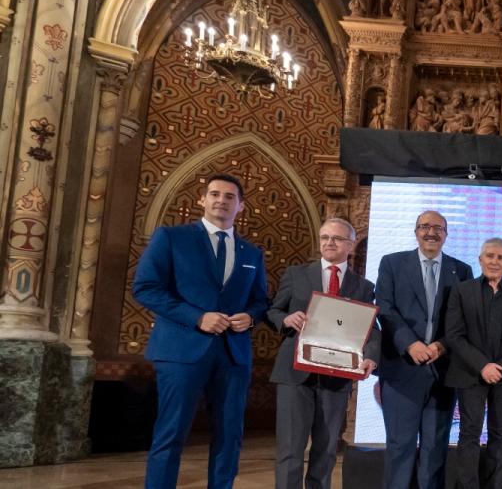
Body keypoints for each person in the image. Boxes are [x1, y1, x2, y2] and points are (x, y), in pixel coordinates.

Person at [133, 174, 269, 489]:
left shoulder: (252, 254)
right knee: (172, 432)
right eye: (214, 194)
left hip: (233, 355)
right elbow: (145, 288)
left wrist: (250, 317)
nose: (221, 200)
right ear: (202, 200)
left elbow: (261, 301)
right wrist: (197, 317)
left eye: (229, 196)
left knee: (230, 434)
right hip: (181, 350)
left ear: (241, 206)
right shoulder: (171, 237)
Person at [266, 218, 380, 489]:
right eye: (325, 237)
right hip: (295, 375)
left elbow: (371, 330)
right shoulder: (296, 274)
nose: (330, 242)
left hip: (336, 378)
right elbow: (272, 310)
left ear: (351, 245)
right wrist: (285, 319)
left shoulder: (363, 286)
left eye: (337, 238)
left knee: (326, 451)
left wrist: (371, 356)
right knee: (290, 450)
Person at [375, 210, 472, 489]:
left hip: (442, 372)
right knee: (400, 447)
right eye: (425, 226)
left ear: (446, 233)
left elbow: (463, 318)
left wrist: (442, 344)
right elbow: (385, 306)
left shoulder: (461, 270)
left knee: (434, 449)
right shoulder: (392, 263)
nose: (431, 232)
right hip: (401, 369)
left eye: (438, 228)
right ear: (415, 231)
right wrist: (410, 343)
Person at [444, 238, 502, 489]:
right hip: (470, 374)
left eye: (500, 257)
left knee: (500, 436)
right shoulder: (461, 291)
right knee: (469, 434)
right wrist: (483, 366)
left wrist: (500, 367)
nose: (495, 261)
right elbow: (454, 335)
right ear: (480, 259)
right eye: (490, 256)